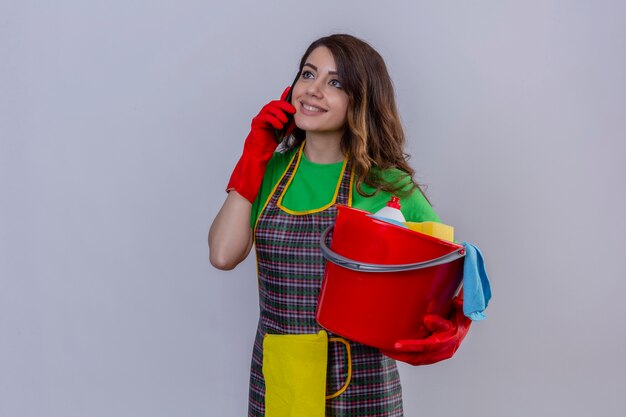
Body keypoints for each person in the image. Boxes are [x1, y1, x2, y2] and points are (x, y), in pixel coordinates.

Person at [209, 34, 471, 417]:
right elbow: (222, 254)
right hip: (286, 380)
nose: (313, 90)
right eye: (307, 74)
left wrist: (452, 320)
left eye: (335, 82)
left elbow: (443, 268)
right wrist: (253, 158)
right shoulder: (269, 170)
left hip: (365, 385)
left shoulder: (386, 185)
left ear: (359, 101)